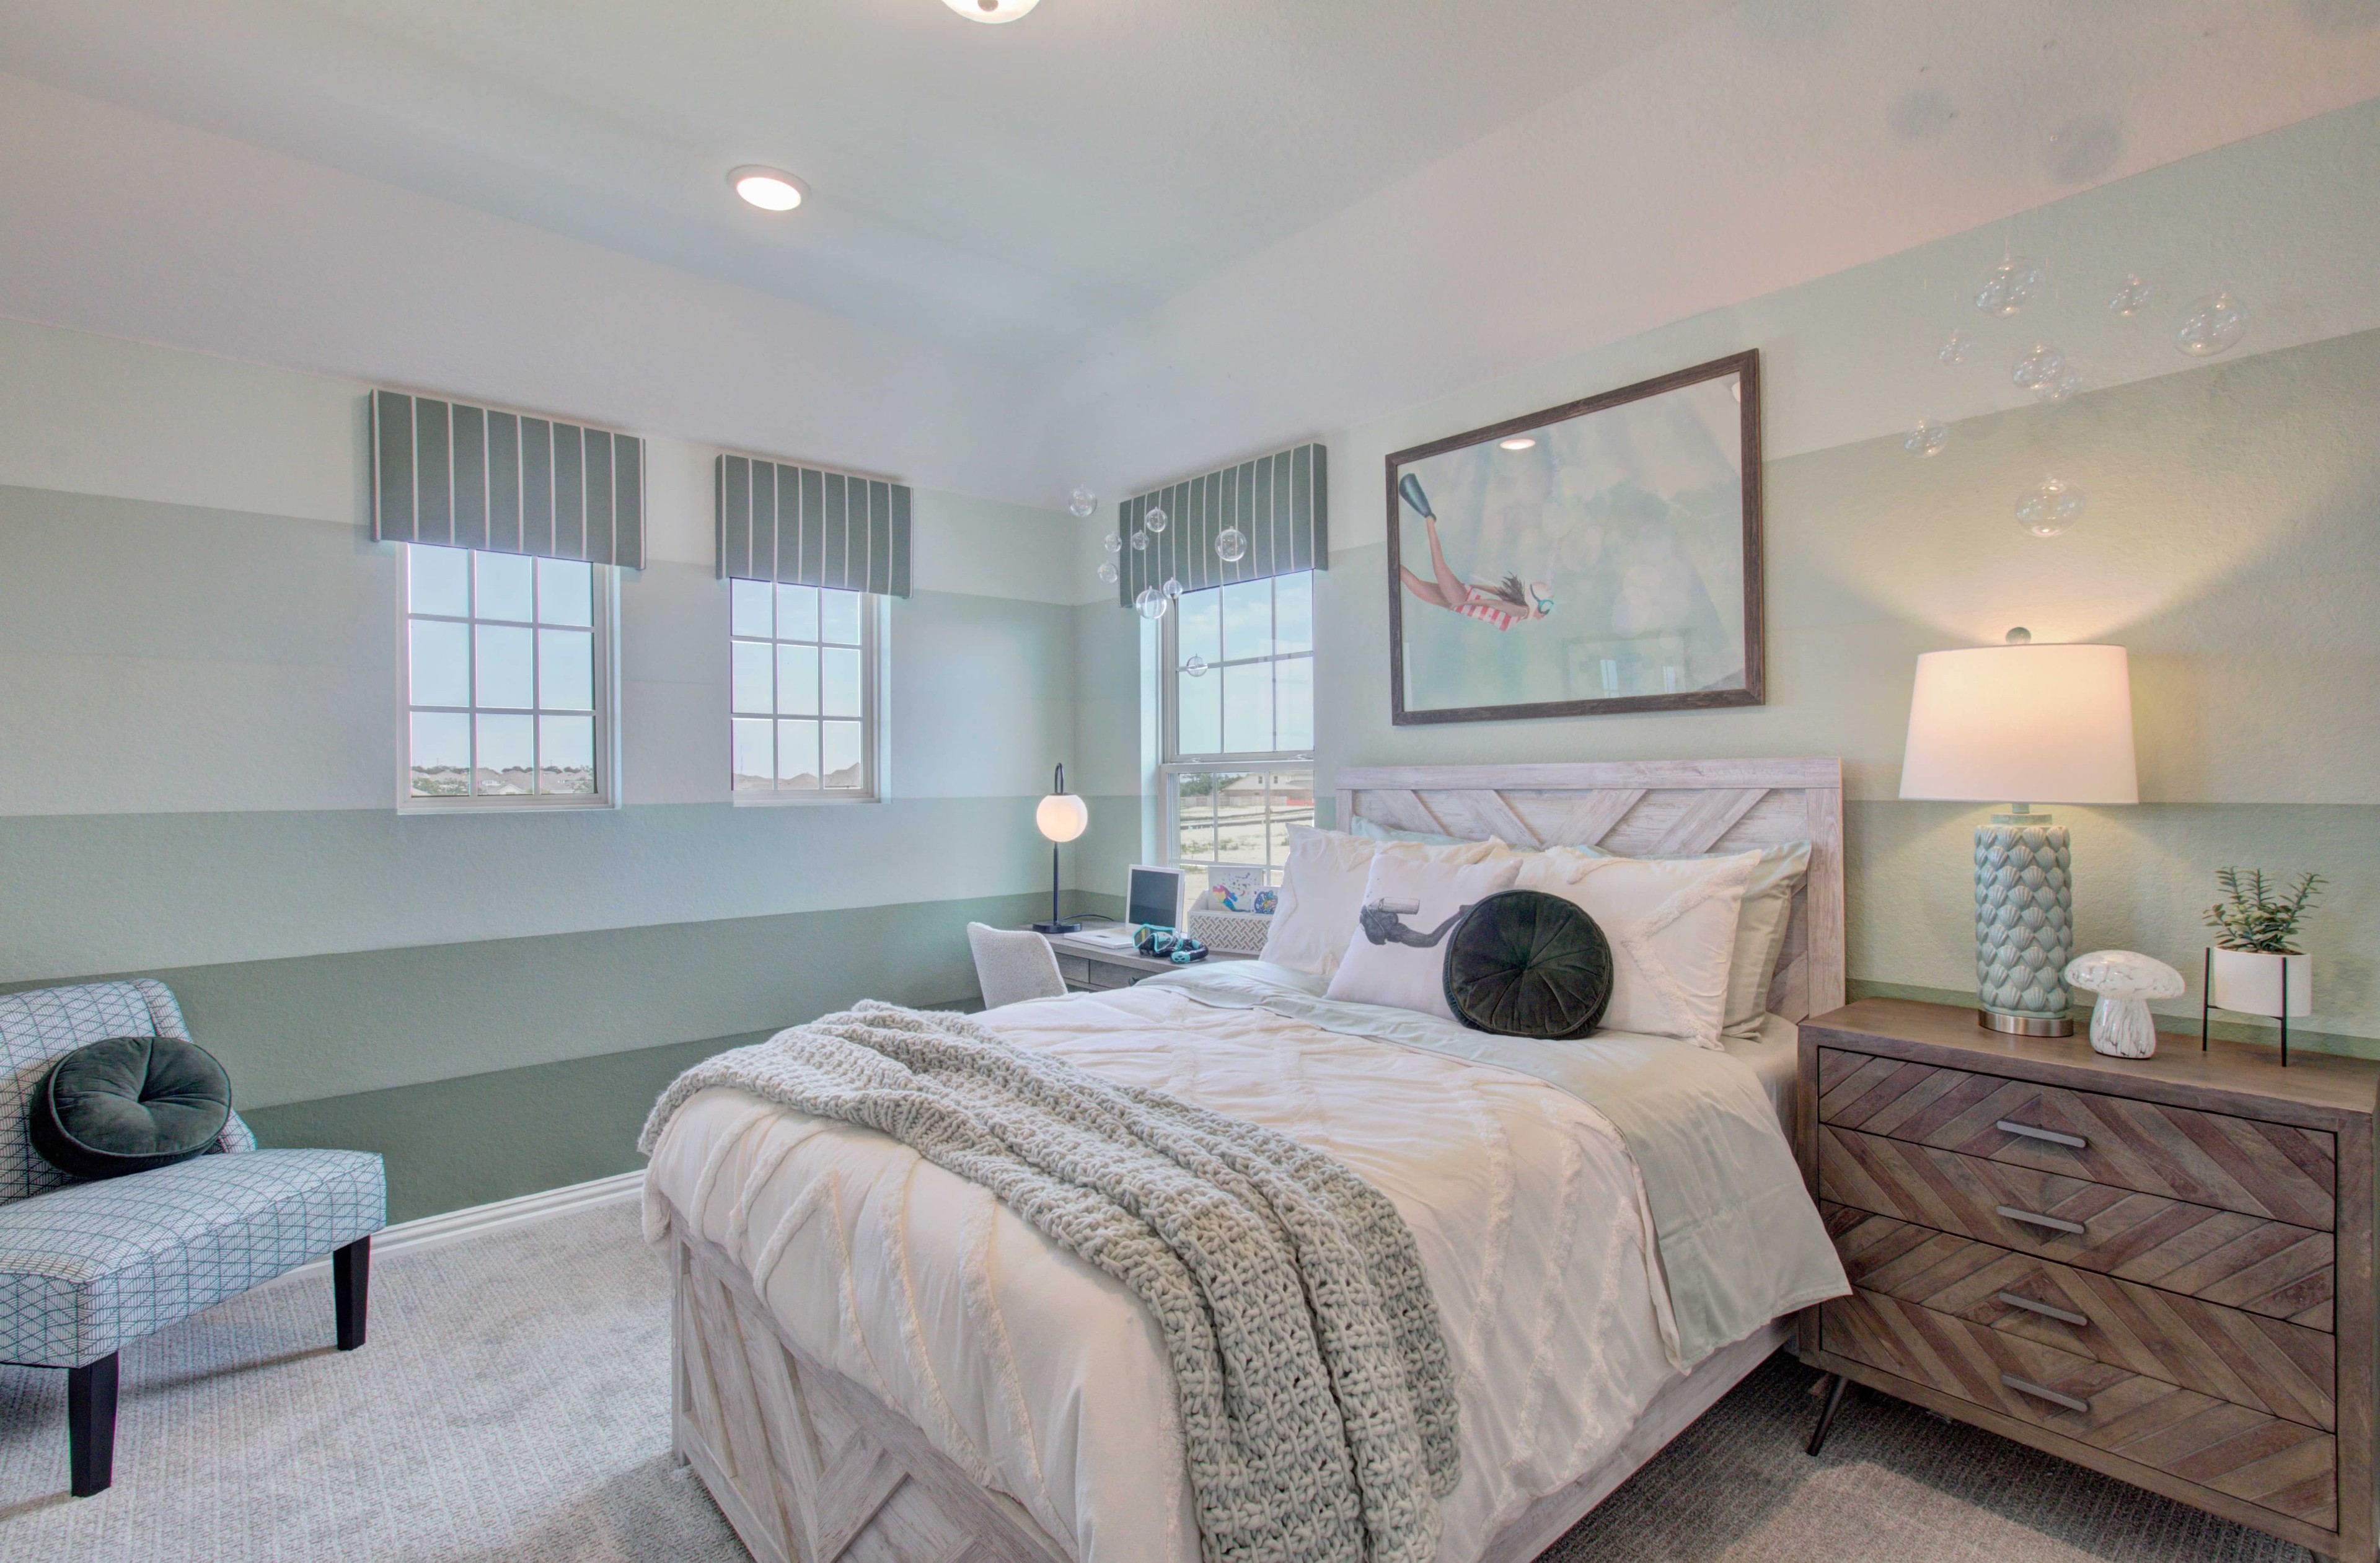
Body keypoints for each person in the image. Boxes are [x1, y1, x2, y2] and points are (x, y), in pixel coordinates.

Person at [1397, 473, 1554, 630]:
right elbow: (1495, 604)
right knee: (1439, 566)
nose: (1545, 614)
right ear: (1536, 601)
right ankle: (1429, 519)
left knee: (1422, 589)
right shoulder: (1522, 611)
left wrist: (1471, 589)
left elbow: (1497, 593)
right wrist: (1467, 603)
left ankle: (1392, 561)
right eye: (1546, 607)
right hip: (1461, 600)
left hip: (1462, 601)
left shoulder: (1517, 606)